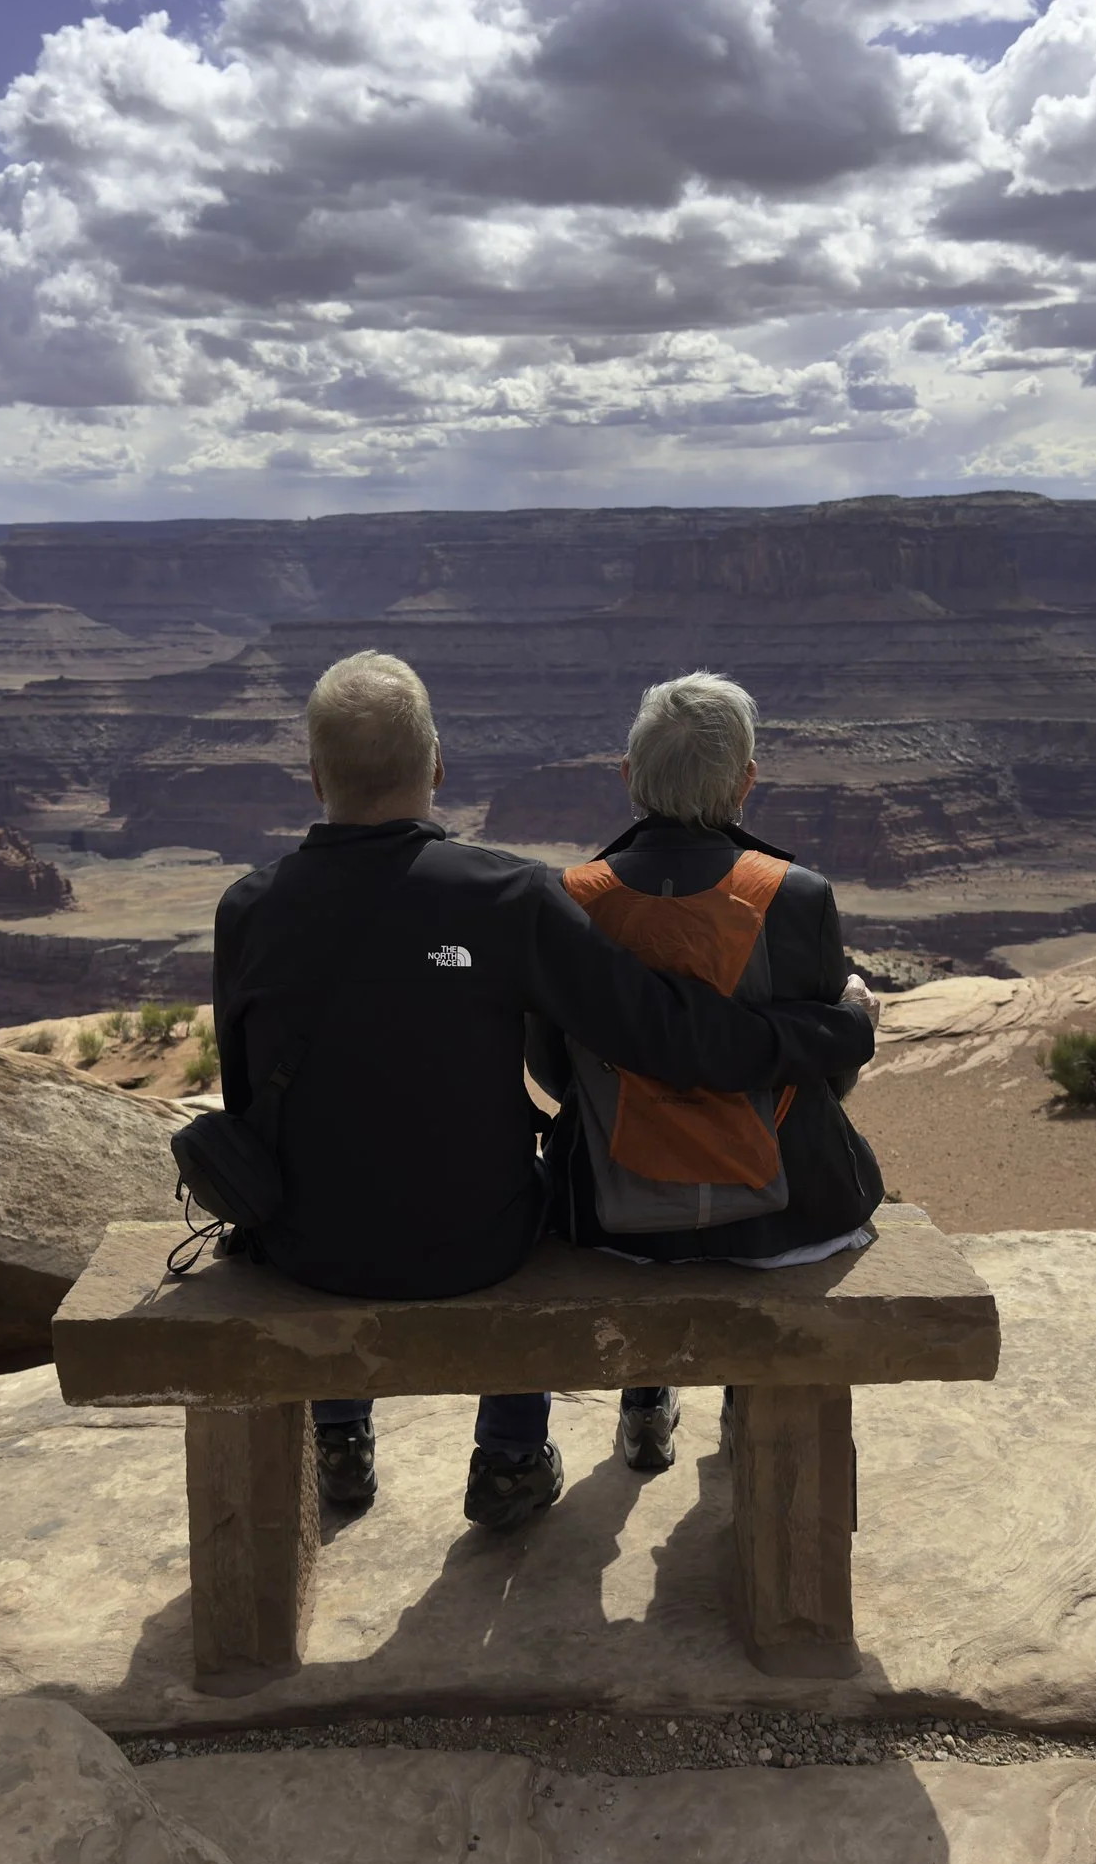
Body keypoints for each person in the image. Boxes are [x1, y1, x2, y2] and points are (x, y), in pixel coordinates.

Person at [210, 651, 875, 1533]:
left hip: (304, 1245)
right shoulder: (504, 899)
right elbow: (667, 1036)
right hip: (476, 1243)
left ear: (314, 775)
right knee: (532, 1193)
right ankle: (513, 1449)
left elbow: (247, 1093)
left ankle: (339, 1427)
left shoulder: (246, 910)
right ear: (437, 766)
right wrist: (836, 1028)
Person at [527, 672, 886, 1473]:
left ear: (628, 778)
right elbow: (824, 1074)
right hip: (785, 1220)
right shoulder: (797, 898)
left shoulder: (573, 902)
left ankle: (646, 1397)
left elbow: (553, 1069)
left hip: (613, 1222)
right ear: (747, 781)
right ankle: (739, 1403)